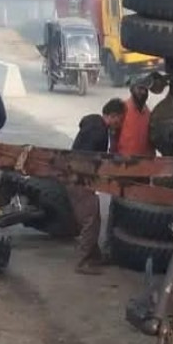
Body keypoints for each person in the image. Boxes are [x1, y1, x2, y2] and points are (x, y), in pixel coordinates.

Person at [70, 98, 126, 274]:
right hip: (79, 179)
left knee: (92, 217)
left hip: (74, 176)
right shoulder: (99, 131)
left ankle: (94, 256)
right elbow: (88, 159)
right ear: (113, 116)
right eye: (120, 119)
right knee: (91, 219)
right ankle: (83, 262)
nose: (120, 124)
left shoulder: (93, 122)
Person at [116, 76, 156, 156]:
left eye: (145, 89)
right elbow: (113, 135)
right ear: (132, 89)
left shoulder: (148, 113)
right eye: (140, 89)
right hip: (124, 160)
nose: (143, 92)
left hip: (145, 160)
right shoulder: (122, 108)